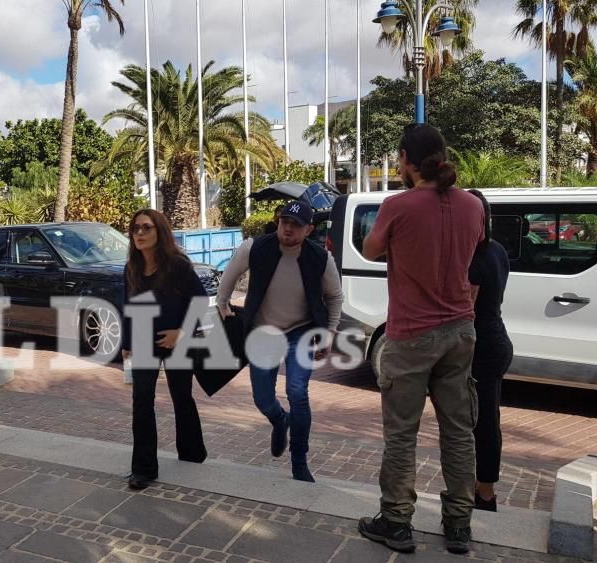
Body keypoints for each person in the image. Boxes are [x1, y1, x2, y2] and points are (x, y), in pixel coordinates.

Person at [357, 124, 485, 555]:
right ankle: (459, 525)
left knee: (402, 435)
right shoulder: (472, 206)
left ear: (408, 161)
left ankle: (396, 522)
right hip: (461, 331)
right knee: (459, 432)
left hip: (411, 334)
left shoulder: (398, 206)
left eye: (398, 158)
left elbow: (370, 250)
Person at [216, 199, 344, 483]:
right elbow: (230, 275)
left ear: (309, 229)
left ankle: (299, 461)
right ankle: (279, 420)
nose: (288, 228)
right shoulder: (254, 248)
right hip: (263, 332)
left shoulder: (321, 258)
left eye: (296, 225)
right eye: (285, 222)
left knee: (297, 392)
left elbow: (335, 297)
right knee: (262, 399)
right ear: (278, 222)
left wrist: (330, 333)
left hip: (301, 331)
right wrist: (222, 303)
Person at [121, 209, 208, 490]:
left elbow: (201, 301)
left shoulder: (177, 266)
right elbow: (130, 307)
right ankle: (143, 469)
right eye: (135, 229)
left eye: (146, 228)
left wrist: (180, 333)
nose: (140, 234)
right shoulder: (132, 267)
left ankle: (192, 453)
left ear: (160, 232)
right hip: (145, 342)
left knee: (182, 397)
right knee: (142, 401)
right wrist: (127, 342)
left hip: (177, 341)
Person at [466, 189, 513, 512]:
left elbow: (464, 311)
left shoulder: (473, 258)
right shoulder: (497, 250)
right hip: (497, 338)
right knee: (487, 419)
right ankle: (482, 489)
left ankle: (484, 495)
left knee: (480, 424)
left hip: (480, 348)